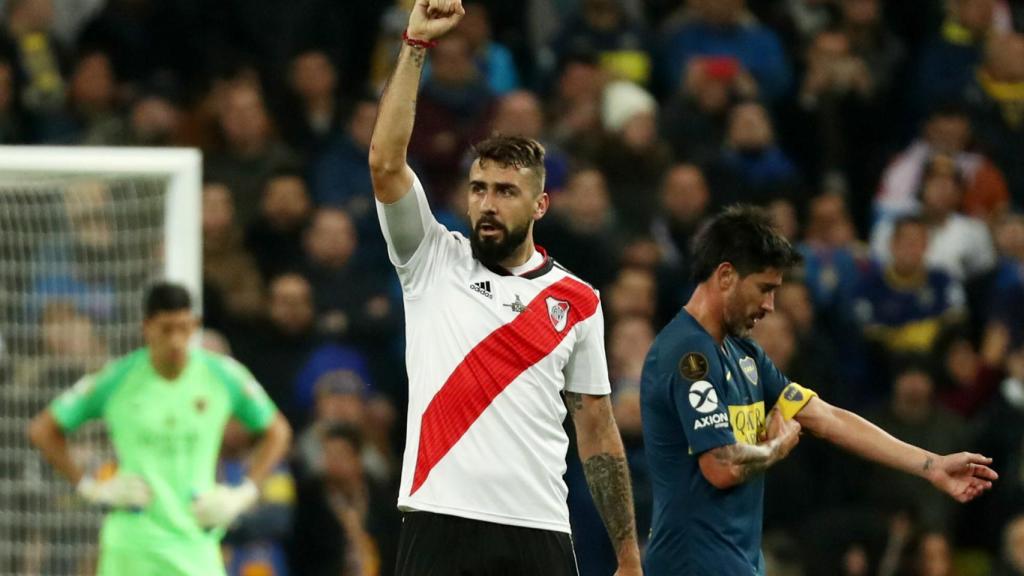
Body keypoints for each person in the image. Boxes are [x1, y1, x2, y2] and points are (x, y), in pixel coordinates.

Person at [367, 1, 641, 574]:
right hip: (438, 517)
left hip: (537, 526)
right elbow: (386, 164)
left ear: (540, 204)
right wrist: (415, 47)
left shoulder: (578, 300)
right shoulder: (430, 258)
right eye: (479, 189)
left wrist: (627, 554)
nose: (488, 204)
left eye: (506, 192)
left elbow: (596, 428)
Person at [640, 205, 998, 576]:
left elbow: (824, 416)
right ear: (727, 276)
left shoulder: (743, 352)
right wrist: (778, 446)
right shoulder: (689, 355)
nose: (770, 305)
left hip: (737, 560)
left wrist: (931, 465)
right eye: (764, 289)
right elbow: (721, 466)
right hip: (692, 563)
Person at [26, 282, 292, 576]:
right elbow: (43, 429)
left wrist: (244, 494)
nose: (176, 340)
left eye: (184, 328)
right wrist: (91, 488)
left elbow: (278, 431)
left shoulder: (223, 375)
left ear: (195, 326)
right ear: (147, 327)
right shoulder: (118, 377)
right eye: (166, 329)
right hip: (132, 544)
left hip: (195, 541)